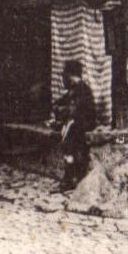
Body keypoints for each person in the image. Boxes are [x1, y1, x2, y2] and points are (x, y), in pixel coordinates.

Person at [52, 58, 97, 192]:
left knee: (68, 142)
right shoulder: (74, 90)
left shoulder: (83, 90)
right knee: (67, 136)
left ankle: (69, 179)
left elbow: (75, 110)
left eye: (64, 75)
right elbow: (60, 103)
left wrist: (62, 111)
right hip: (76, 123)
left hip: (83, 124)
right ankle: (71, 177)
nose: (63, 79)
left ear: (70, 76)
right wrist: (59, 108)